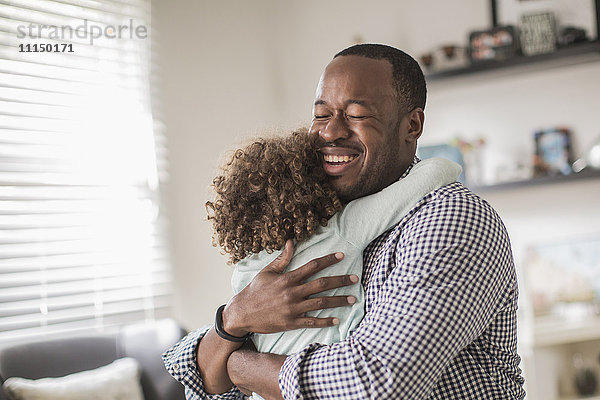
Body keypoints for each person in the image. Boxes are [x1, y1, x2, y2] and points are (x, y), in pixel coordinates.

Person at [163, 44, 526, 400]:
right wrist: (235, 318)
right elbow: (199, 380)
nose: (331, 131)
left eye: (356, 114)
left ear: (411, 125)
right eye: (321, 115)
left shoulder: (451, 218)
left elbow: (378, 385)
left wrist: (243, 368)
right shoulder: (308, 219)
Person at [206, 130, 460, 368]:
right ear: (312, 188)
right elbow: (441, 170)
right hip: (327, 379)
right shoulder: (338, 231)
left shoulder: (244, 272)